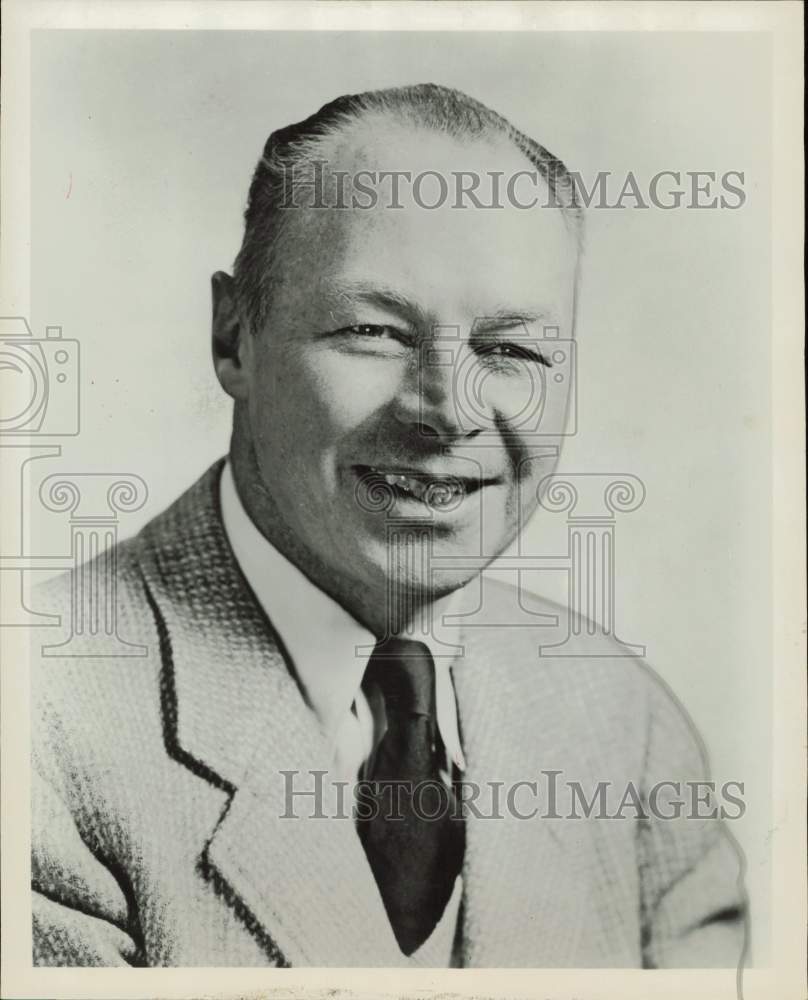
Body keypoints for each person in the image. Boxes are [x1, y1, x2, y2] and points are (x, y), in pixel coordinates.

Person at [31, 83, 747, 968]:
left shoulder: (623, 726)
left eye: (512, 350)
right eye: (374, 330)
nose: (449, 411)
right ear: (232, 339)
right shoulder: (39, 733)